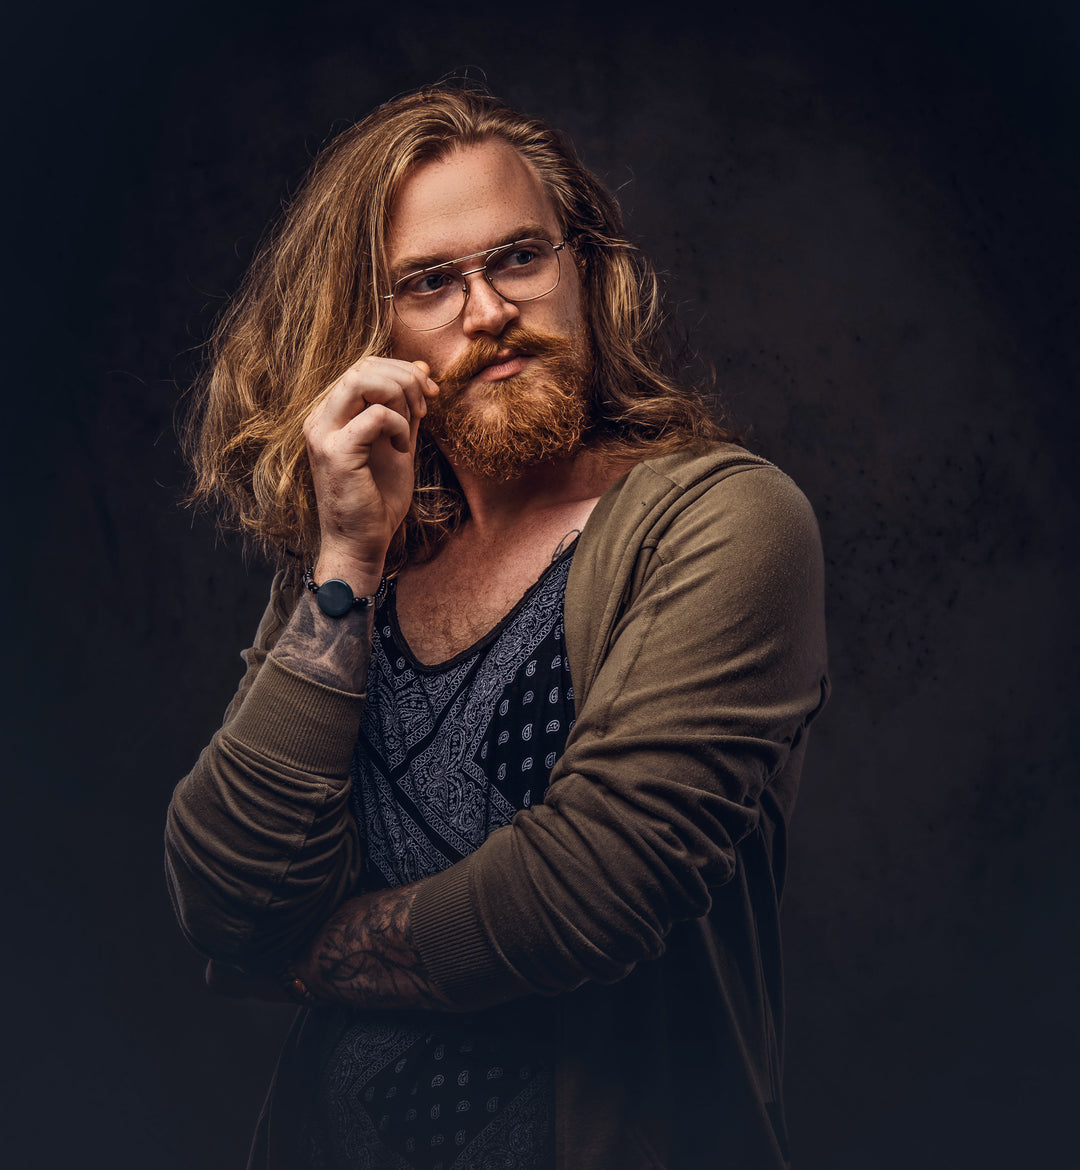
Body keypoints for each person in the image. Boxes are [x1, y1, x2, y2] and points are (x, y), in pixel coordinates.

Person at [165, 82, 830, 1170]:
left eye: (520, 258)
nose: (488, 311)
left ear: (585, 271)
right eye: (431, 281)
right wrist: (346, 559)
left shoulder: (723, 521)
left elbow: (589, 889)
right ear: (370, 328)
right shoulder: (361, 549)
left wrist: (305, 963)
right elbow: (228, 895)